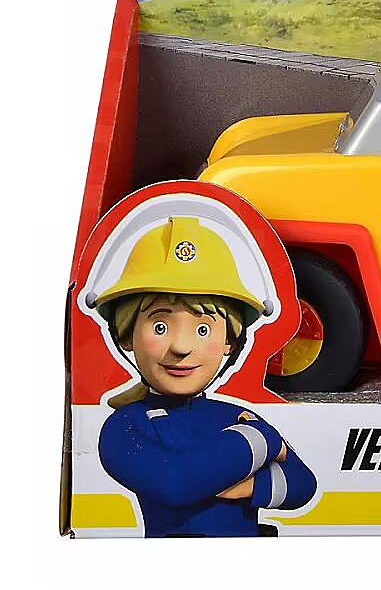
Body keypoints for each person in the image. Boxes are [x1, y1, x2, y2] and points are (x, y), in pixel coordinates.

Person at [93, 215, 316, 536]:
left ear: (230, 342)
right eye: (160, 326)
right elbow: (176, 482)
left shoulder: (235, 414)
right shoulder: (125, 427)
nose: (181, 347)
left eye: (202, 330)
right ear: (126, 334)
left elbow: (304, 484)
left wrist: (250, 486)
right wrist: (263, 439)